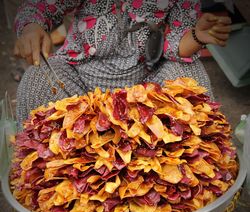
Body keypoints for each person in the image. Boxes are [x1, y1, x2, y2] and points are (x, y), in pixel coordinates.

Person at [14, 0, 231, 128]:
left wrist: (196, 35)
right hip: (76, 84)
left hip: (147, 89)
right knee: (37, 79)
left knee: (190, 77)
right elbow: (40, 6)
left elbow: (175, 43)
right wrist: (31, 27)